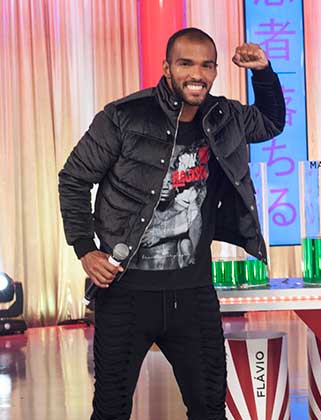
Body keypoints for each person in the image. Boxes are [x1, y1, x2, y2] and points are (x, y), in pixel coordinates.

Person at [58, 27, 285, 420]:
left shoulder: (224, 117)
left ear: (215, 71)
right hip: (125, 292)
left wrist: (263, 72)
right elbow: (74, 178)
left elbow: (270, 122)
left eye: (206, 66)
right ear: (166, 68)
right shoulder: (124, 116)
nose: (197, 74)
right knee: (111, 410)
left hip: (193, 292)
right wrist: (85, 248)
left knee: (209, 408)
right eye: (185, 64)